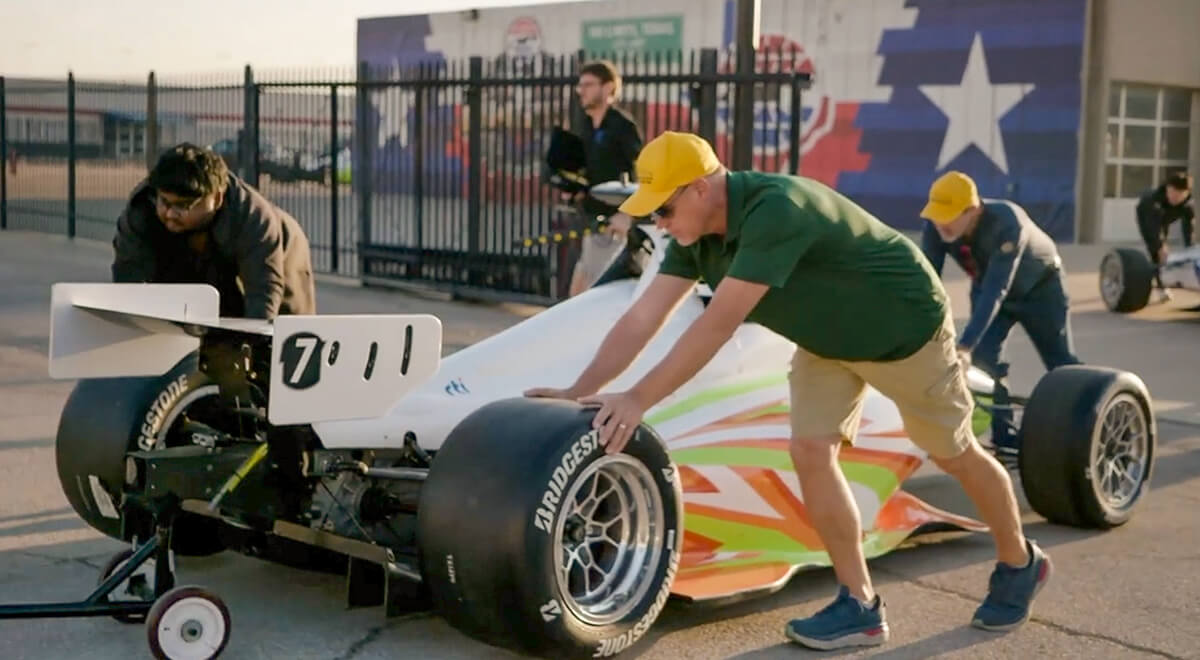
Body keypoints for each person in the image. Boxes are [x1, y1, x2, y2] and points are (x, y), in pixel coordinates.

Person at [525, 132, 1051, 650]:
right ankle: (859, 605)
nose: (658, 224)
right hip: (826, 338)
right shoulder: (694, 235)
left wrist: (636, 399)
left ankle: (1019, 561)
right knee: (809, 451)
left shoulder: (775, 210)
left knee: (953, 453)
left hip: (902, 328)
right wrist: (580, 391)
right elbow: (643, 316)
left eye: (663, 210)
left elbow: (715, 325)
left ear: (701, 189)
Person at [919, 171, 1082, 464]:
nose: (941, 223)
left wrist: (964, 345)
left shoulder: (1008, 222)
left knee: (1062, 366)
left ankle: (1084, 431)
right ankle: (1006, 441)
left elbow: (998, 289)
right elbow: (925, 284)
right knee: (986, 365)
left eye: (949, 215)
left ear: (973, 210)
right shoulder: (937, 226)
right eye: (936, 215)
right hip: (987, 287)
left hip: (1040, 290)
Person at [112, 142, 316, 319]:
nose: (171, 214)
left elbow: (262, 299)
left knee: (282, 334)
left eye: (183, 205)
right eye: (164, 201)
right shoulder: (141, 209)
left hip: (280, 260)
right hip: (198, 258)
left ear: (216, 199)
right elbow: (128, 279)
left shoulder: (254, 220)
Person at [566, 59, 643, 297]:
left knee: (587, 294)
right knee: (579, 290)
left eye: (589, 84)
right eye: (581, 86)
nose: (582, 91)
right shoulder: (586, 125)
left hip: (615, 225)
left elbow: (644, 174)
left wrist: (627, 215)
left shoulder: (623, 127)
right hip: (590, 218)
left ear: (609, 88)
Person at [1135, 171, 1194, 302]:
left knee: (1170, 249)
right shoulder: (1153, 201)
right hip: (1147, 216)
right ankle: (1161, 287)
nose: (1175, 197)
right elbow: (1153, 229)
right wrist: (1160, 246)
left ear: (1186, 193)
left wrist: (1190, 248)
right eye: (1172, 193)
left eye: (1179, 195)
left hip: (1165, 219)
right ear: (1167, 188)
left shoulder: (1188, 206)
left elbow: (1188, 229)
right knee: (1157, 251)